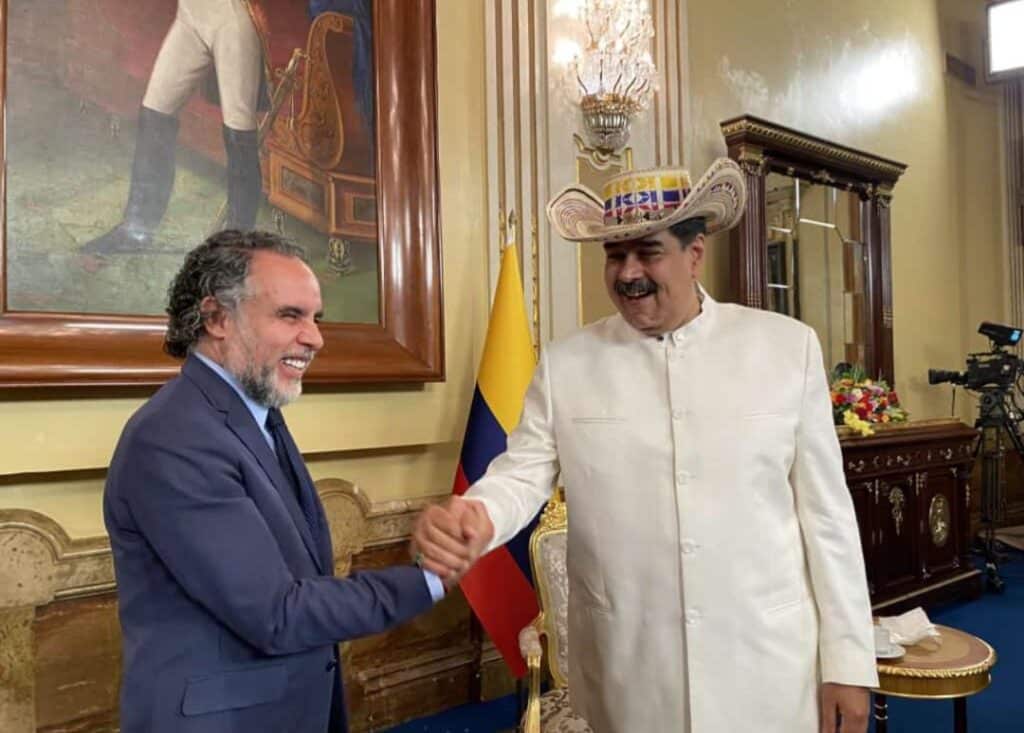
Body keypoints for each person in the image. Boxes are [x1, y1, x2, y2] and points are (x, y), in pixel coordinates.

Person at [412, 160, 878, 732]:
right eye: (615, 255)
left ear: (694, 253)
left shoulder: (786, 348)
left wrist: (849, 664)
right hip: (629, 671)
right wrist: (476, 514)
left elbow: (828, 518)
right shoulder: (566, 364)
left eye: (648, 252)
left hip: (767, 665)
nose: (628, 272)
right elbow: (521, 473)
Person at [104, 229, 444, 732]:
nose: (315, 338)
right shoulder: (175, 436)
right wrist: (430, 580)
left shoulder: (253, 413)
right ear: (217, 318)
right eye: (290, 315)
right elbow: (276, 613)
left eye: (315, 318)